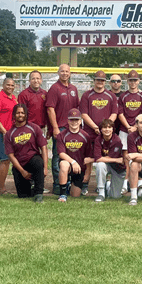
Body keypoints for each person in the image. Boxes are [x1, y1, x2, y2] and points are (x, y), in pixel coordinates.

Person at [79, 70, 118, 194]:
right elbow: (84, 114)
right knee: (89, 158)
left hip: (106, 133)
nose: (100, 82)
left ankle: (103, 183)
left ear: (105, 82)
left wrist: (106, 127)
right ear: (94, 81)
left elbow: (114, 113)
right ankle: (85, 182)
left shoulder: (111, 95)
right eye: (97, 80)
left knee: (105, 157)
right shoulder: (87, 95)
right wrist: (96, 127)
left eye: (102, 80)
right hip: (90, 132)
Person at [46, 64, 80, 196]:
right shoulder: (54, 88)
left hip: (72, 127)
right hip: (60, 127)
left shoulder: (73, 89)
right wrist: (54, 128)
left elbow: (76, 109)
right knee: (57, 156)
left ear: (70, 73)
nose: (65, 73)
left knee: (73, 154)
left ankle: (69, 182)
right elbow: (50, 109)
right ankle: (57, 184)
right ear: (58, 72)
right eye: (62, 71)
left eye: (67, 71)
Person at [4, 104, 49, 202]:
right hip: (20, 164)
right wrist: (22, 171)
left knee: (38, 162)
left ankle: (39, 194)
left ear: (26, 115)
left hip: (32, 159)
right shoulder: (9, 134)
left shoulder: (34, 128)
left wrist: (45, 167)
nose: (20, 115)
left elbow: (44, 148)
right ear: (14, 115)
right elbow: (10, 155)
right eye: (18, 113)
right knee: (23, 195)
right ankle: (31, 186)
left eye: (22, 113)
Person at [118, 69, 142, 194]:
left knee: (138, 155)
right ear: (127, 81)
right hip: (125, 130)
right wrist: (128, 127)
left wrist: (136, 127)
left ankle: (139, 181)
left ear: (139, 81)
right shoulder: (123, 96)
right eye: (131, 80)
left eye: (135, 80)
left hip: (139, 130)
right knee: (126, 156)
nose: (133, 82)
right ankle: (125, 182)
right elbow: (120, 113)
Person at [55, 108, 94, 202]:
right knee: (64, 164)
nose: (74, 122)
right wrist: (73, 162)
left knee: (75, 195)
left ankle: (68, 185)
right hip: (69, 165)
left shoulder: (85, 136)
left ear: (80, 121)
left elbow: (88, 157)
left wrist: (88, 173)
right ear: (68, 121)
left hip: (80, 168)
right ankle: (62, 194)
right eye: (72, 120)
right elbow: (61, 153)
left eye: (76, 120)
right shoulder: (62, 135)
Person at [0, 76, 17, 195]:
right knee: (5, 159)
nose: (10, 87)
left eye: (12, 85)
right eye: (8, 85)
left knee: (8, 160)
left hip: (9, 133)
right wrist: (4, 131)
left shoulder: (13, 98)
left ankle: (2, 187)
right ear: (3, 85)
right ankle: (0, 188)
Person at [93, 119, 126, 202]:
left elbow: (101, 157)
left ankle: (107, 185)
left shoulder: (117, 140)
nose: (107, 129)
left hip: (118, 169)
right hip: (108, 165)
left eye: (109, 127)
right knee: (100, 165)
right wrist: (116, 160)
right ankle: (101, 193)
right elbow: (98, 159)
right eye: (104, 127)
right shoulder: (98, 139)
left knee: (115, 197)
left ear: (113, 129)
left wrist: (98, 158)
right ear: (101, 129)